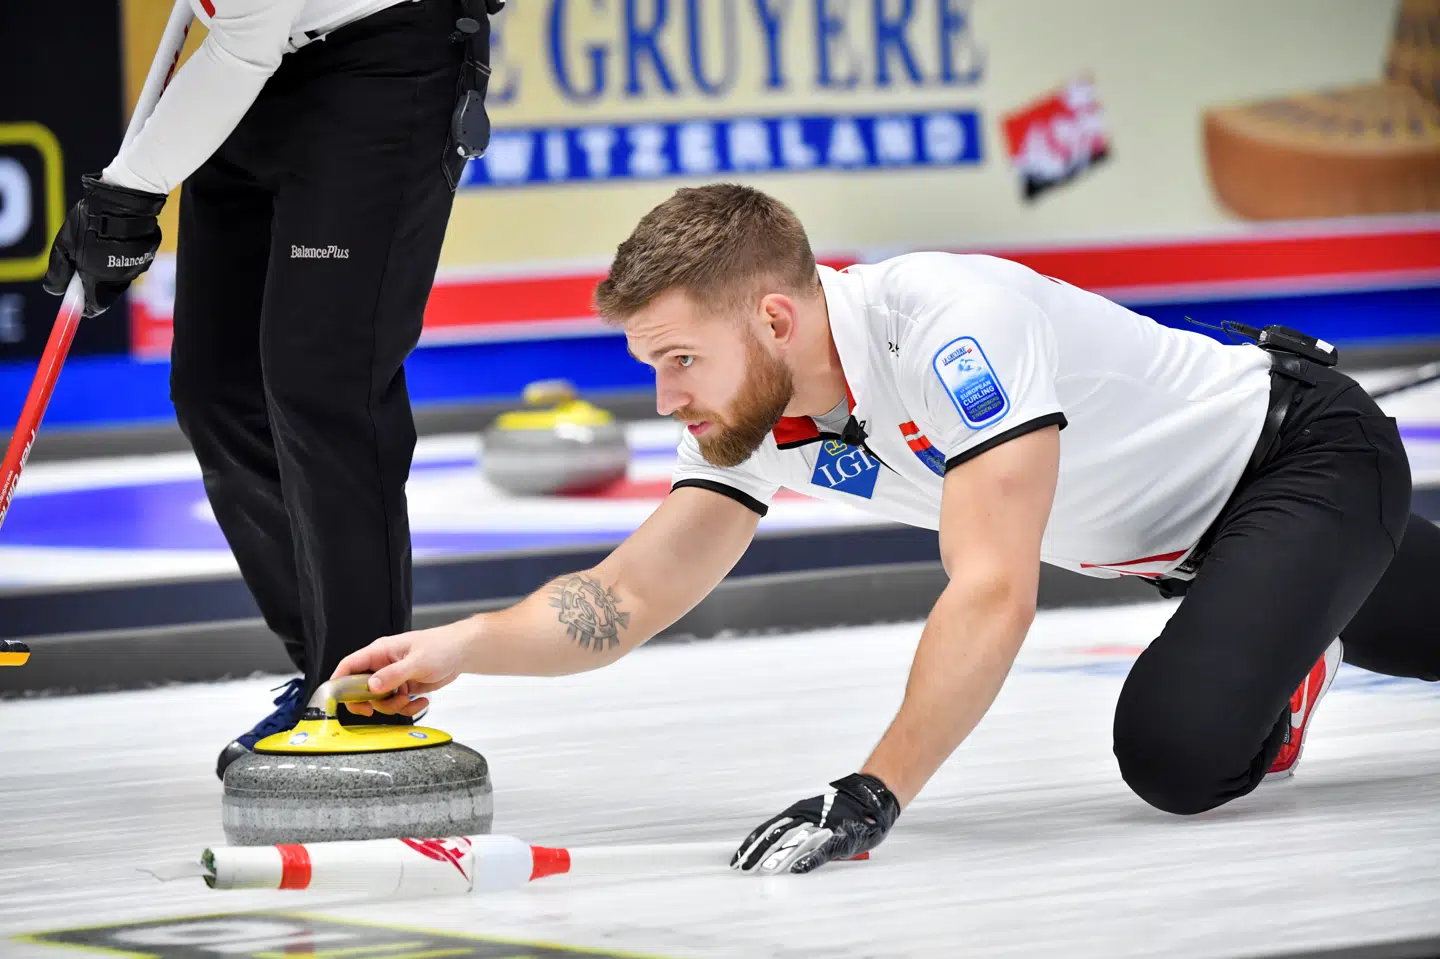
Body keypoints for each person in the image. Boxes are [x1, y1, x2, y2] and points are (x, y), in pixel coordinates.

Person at [331, 183, 1439, 876]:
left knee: (1178, 754)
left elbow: (994, 588)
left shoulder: (955, 325)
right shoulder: (750, 415)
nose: (667, 399)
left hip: (1305, 461)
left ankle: (1286, 657)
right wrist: (460, 645)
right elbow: (625, 598)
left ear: (774, 317)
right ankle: (1289, 628)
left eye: (678, 360)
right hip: (1203, 553)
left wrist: (871, 793)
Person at [41, 0, 501, 778]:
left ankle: (361, 693)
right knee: (217, 386)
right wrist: (124, 195)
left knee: (323, 381)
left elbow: (247, 38)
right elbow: (238, 34)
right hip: (263, 60)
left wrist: (128, 193)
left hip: (382, 62)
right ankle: (332, 666)